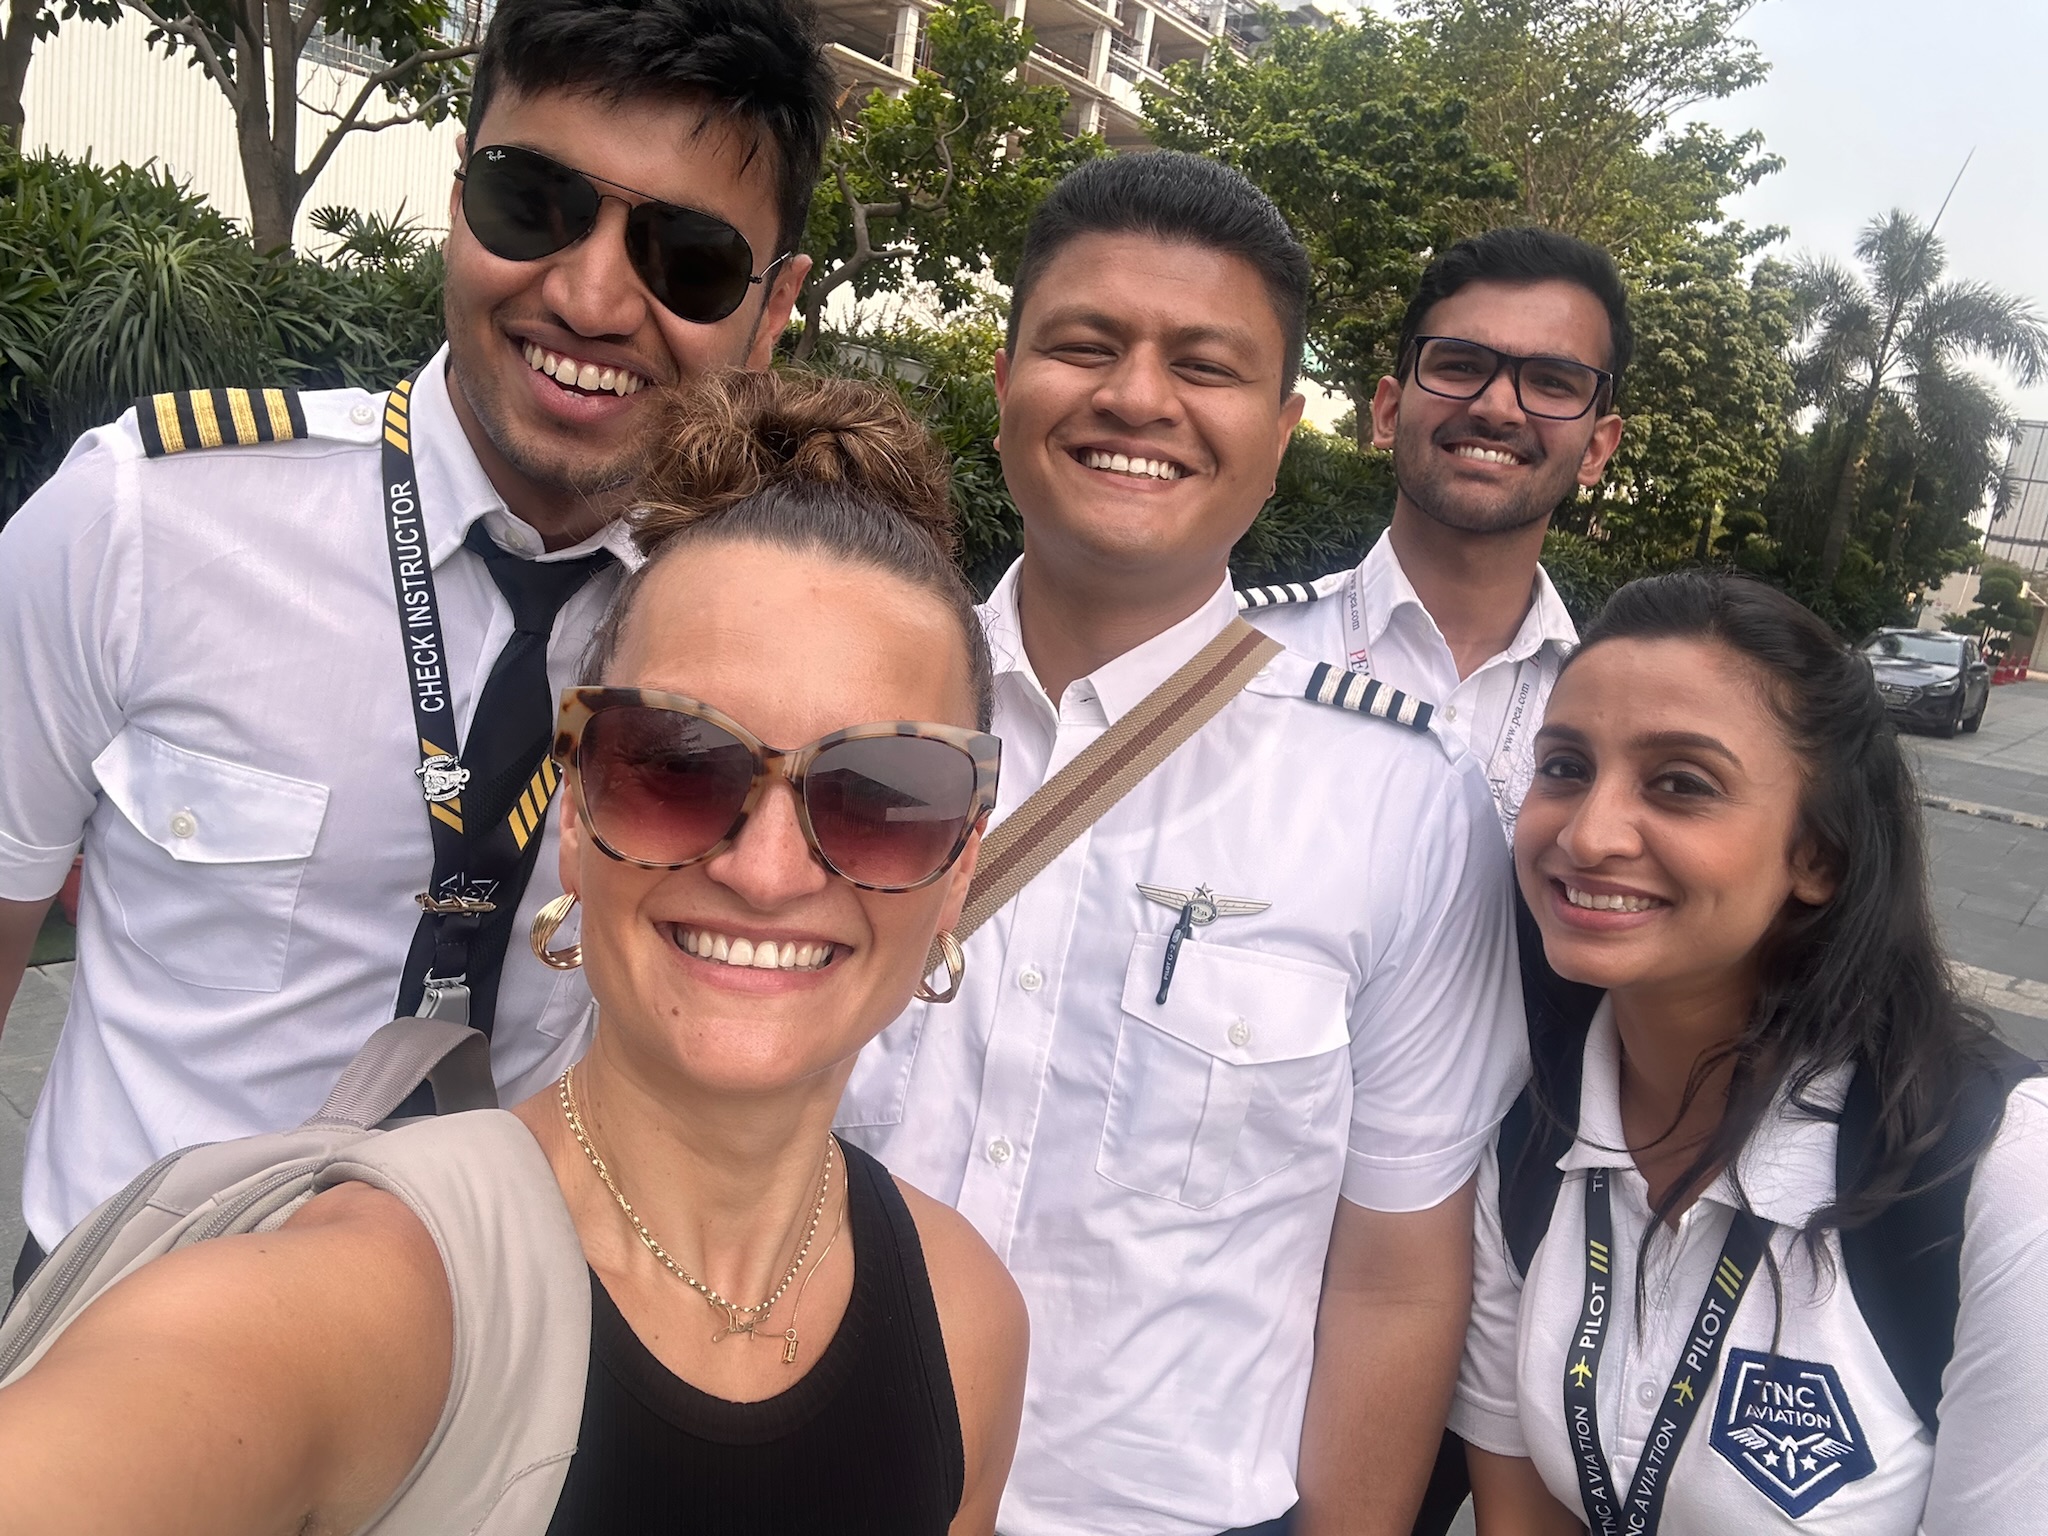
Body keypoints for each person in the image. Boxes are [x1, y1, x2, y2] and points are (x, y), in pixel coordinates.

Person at [0, 369, 1030, 1535]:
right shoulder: (370, 1303)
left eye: (880, 793)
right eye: (679, 765)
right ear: (578, 827)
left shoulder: (965, 1320)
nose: (767, 870)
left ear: (958, 863)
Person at [0, 0, 836, 1288]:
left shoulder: (746, 627)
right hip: (119, 1339)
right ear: (457, 193)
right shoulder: (143, 521)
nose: (592, 296)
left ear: (771, 310)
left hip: (498, 1369)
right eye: (531, 201)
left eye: (689, 257)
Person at [837, 152, 1526, 1536]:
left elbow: (1395, 1270)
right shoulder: (837, 717)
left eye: (1204, 366)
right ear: (1004, 383)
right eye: (1083, 346)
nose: (1136, 398)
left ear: (1281, 434)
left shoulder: (1401, 794)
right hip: (792, 1486)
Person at [1451, 571, 2048, 1533]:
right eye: (1564, 767)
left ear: (1820, 854)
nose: (1589, 833)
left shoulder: (2000, 1180)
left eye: (1681, 783)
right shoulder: (1521, 1128)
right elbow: (1516, 1508)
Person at [1241, 228, 1628, 839]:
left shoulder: (1616, 722)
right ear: (1388, 411)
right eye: (1460, 365)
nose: (1498, 409)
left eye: (1553, 381)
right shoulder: (1230, 660)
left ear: (1596, 450)